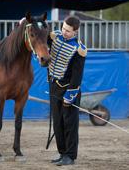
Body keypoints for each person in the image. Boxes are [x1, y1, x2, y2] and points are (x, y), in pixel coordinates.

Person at [48, 15, 87, 166]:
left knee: (69, 124)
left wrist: (70, 96)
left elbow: (77, 76)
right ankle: (62, 153)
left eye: (68, 31)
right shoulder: (54, 37)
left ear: (75, 32)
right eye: (63, 28)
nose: (64, 32)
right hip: (54, 86)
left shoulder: (80, 49)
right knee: (57, 123)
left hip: (69, 90)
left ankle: (70, 156)